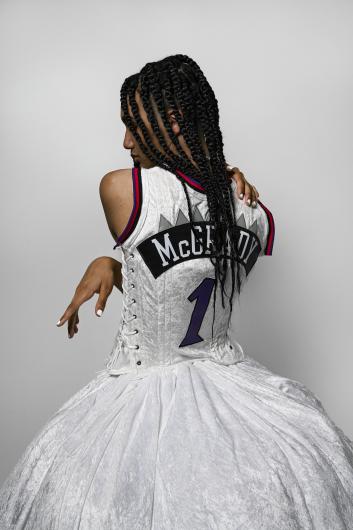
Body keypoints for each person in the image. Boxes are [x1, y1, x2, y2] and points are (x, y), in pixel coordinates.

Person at [1, 54, 352, 530]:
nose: (125, 141)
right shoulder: (251, 209)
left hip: (142, 390)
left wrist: (109, 260)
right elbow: (183, 280)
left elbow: (167, 282)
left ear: (172, 120)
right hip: (238, 392)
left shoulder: (121, 189)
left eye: (132, 126)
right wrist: (224, 174)